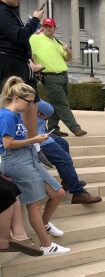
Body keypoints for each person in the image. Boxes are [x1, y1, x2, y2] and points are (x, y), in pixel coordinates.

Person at [0, 78, 69, 254]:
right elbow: (7, 144)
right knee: (34, 205)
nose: (31, 106)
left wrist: (33, 141)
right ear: (16, 98)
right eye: (28, 102)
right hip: (17, 161)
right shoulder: (7, 115)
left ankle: (44, 227)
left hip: (27, 158)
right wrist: (34, 140)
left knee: (57, 192)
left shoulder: (14, 115)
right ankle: (46, 245)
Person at [0, 0, 44, 139]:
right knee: (16, 102)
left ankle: (33, 143)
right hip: (9, 62)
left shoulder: (8, 11)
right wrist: (34, 20)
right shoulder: (2, 11)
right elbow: (19, 36)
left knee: (30, 102)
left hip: (18, 62)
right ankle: (15, 142)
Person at [29, 17, 86, 137]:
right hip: (49, 77)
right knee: (62, 103)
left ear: (55, 28)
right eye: (45, 26)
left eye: (50, 26)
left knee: (55, 103)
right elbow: (26, 51)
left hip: (63, 76)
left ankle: (53, 127)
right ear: (42, 27)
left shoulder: (57, 41)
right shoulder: (35, 39)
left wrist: (68, 51)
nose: (48, 28)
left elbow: (67, 59)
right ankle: (75, 128)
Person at [35, 100, 101, 203]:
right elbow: (48, 109)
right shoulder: (26, 96)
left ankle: (67, 180)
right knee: (64, 159)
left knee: (63, 144)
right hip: (37, 138)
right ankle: (78, 193)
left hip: (41, 132)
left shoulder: (30, 96)